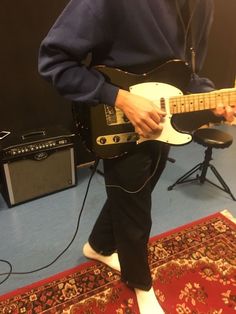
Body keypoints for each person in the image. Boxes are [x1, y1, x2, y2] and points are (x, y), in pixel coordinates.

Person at [38, 1, 235, 313]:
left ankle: (98, 246)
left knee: (134, 192)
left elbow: (186, 73)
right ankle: (141, 284)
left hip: (162, 122)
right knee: (135, 210)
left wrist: (212, 101)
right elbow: (54, 62)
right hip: (116, 117)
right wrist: (121, 98)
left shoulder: (204, 6)